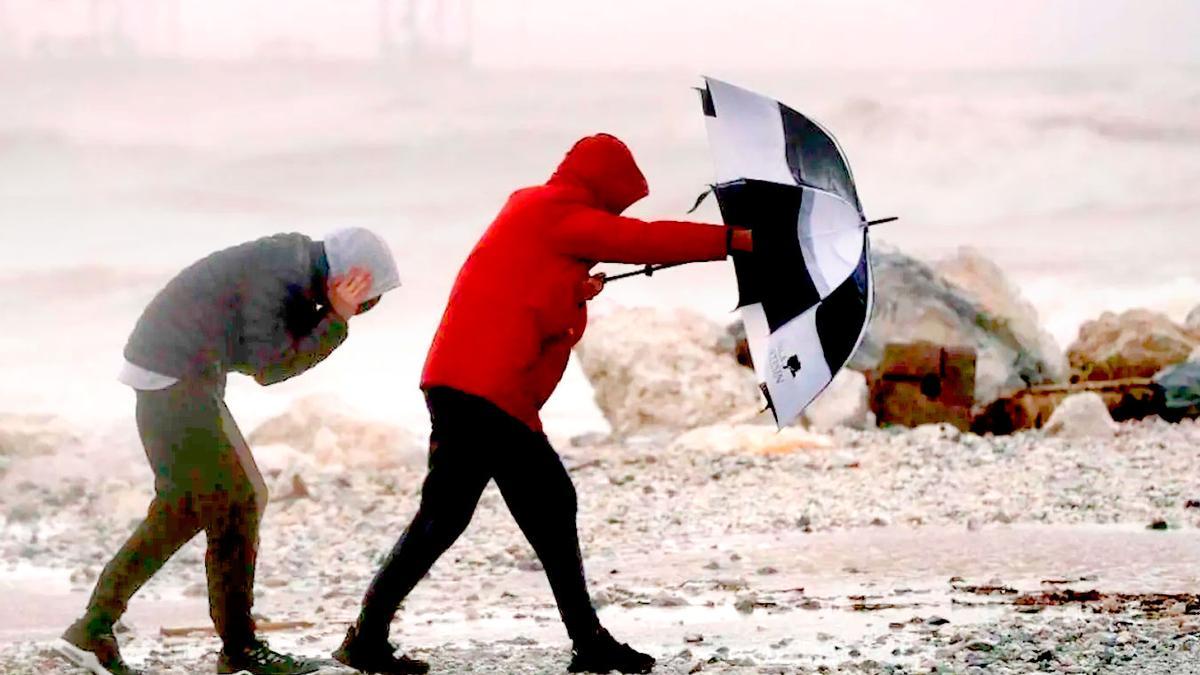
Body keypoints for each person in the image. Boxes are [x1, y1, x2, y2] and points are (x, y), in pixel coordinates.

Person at [334, 134, 752, 675]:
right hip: (487, 390)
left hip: (463, 383)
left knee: (454, 516)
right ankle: (587, 642)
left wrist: (573, 290)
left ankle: (368, 638)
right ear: (602, 186)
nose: (613, 216)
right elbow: (646, 239)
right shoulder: (557, 211)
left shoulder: (533, 210)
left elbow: (520, 293)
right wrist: (735, 240)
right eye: (615, 203)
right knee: (542, 504)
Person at [56, 228, 402, 675]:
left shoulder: (294, 267)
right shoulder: (284, 272)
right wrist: (335, 319)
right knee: (240, 501)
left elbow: (257, 348)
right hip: (174, 376)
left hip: (177, 373)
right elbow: (269, 366)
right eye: (366, 299)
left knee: (185, 509)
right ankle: (239, 649)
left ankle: (94, 629)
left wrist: (330, 315)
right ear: (347, 278)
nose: (364, 307)